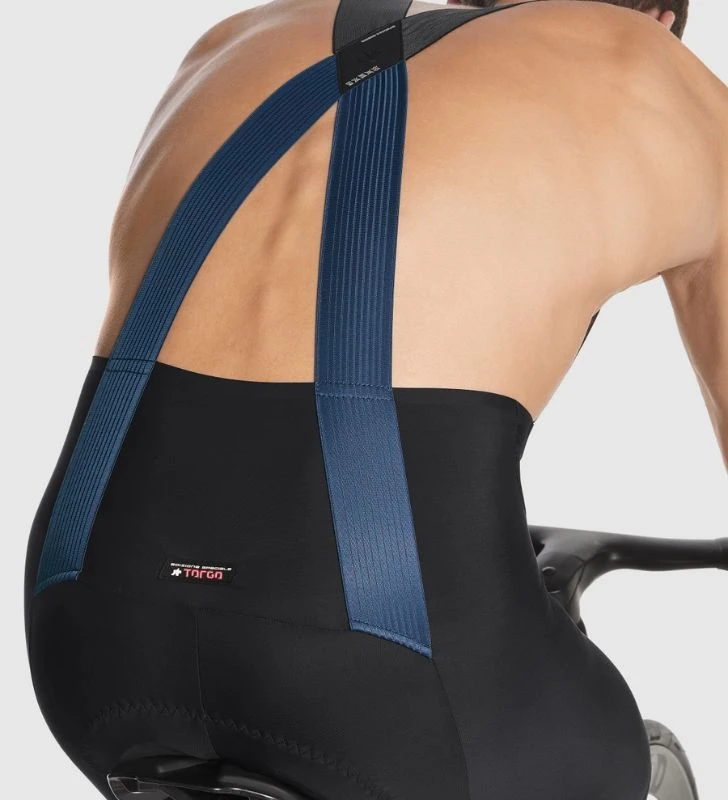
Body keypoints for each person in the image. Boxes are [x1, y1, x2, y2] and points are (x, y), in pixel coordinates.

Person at [24, 0, 726, 798]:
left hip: (91, 640)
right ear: (657, 18)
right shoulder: (655, 69)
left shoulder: (237, 39)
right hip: (391, 675)